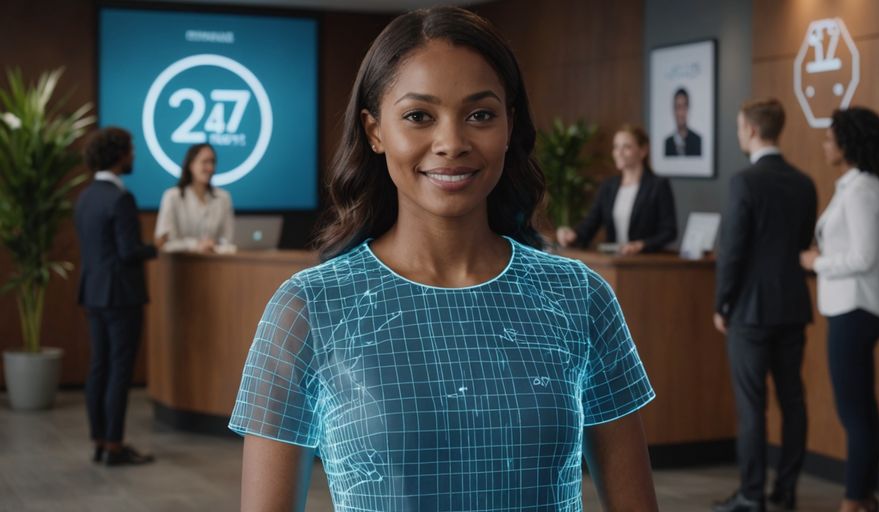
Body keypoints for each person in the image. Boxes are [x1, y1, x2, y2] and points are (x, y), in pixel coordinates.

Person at [228, 7, 659, 511]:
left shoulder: (578, 296)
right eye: (418, 116)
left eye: (480, 114)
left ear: (509, 125)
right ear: (375, 131)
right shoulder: (309, 308)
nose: (452, 143)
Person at [712, 98, 818, 512]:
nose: (740, 133)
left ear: (752, 131)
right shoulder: (805, 182)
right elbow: (802, 241)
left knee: (752, 404)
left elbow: (733, 250)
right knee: (793, 400)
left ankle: (750, 495)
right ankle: (786, 489)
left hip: (750, 311)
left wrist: (722, 301)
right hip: (793, 305)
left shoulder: (745, 182)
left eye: (740, 127)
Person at [800, 107, 879, 512]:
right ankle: (864, 497)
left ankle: (854, 501)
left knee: (853, 411)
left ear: (847, 143)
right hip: (851, 307)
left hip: (856, 309)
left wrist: (815, 263)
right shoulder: (853, 186)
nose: (824, 144)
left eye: (829, 137)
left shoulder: (861, 190)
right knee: (861, 408)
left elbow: (864, 257)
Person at [74, 127, 157, 466]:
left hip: (93, 293)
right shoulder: (121, 198)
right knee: (120, 370)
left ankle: (99, 440)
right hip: (121, 296)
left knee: (99, 368)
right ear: (119, 155)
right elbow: (128, 252)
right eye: (131, 149)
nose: (134, 155)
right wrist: (156, 248)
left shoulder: (86, 197)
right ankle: (114, 446)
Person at [557, 124, 677, 255]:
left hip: (645, 263)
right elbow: (590, 224)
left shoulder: (658, 186)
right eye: (616, 147)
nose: (618, 153)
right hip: (614, 264)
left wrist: (642, 245)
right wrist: (572, 234)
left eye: (626, 147)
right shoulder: (608, 187)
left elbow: (669, 231)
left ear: (642, 151)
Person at [154, 143, 235, 253]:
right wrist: (195, 245)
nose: (210, 168)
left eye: (213, 162)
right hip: (181, 265)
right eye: (205, 162)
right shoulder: (172, 196)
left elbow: (227, 240)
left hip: (216, 265)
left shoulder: (223, 198)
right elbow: (164, 242)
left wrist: (214, 246)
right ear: (191, 165)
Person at [664, 87, 702, 157]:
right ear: (674, 110)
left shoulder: (697, 141)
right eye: (678, 107)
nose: (681, 113)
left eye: (684, 107)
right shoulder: (667, 143)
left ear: (688, 109)